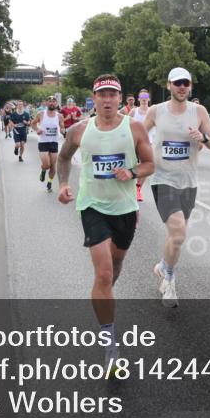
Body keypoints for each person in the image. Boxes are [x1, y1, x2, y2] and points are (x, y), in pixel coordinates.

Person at [57, 74, 154, 368]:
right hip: (92, 206)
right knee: (102, 274)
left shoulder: (134, 127)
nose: (108, 100)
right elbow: (63, 158)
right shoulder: (79, 130)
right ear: (94, 98)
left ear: (120, 97)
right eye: (103, 95)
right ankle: (110, 345)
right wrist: (62, 184)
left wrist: (133, 173)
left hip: (124, 207)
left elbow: (150, 163)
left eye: (113, 95)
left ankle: (105, 293)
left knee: (115, 266)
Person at [144, 68, 210, 307]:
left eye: (186, 83)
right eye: (177, 83)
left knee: (175, 238)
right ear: (168, 85)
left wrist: (204, 139)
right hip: (162, 179)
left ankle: (163, 266)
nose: (182, 87)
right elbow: (137, 135)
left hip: (189, 182)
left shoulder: (199, 111)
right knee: (178, 232)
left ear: (190, 86)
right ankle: (169, 279)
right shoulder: (156, 111)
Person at [31, 97, 63, 191]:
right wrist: (37, 129)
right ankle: (44, 170)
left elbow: (62, 126)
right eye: (50, 101)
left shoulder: (59, 116)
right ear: (47, 103)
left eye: (53, 101)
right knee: (46, 164)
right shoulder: (41, 114)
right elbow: (33, 124)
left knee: (53, 166)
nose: (52, 103)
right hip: (43, 142)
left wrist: (63, 130)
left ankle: (49, 182)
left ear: (56, 103)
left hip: (54, 142)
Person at [131, 89, 152, 202]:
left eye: (146, 97)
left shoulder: (152, 112)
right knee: (132, 165)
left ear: (148, 99)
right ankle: (129, 186)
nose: (144, 99)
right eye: (142, 97)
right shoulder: (134, 112)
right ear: (138, 99)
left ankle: (138, 189)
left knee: (146, 167)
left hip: (149, 143)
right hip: (134, 143)